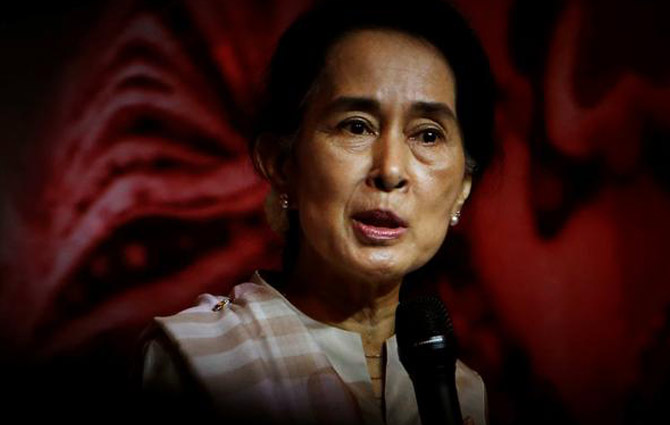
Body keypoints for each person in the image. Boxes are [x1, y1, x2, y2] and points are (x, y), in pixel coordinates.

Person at [138, 0, 496, 424]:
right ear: (283, 164)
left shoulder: (463, 393)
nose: (391, 171)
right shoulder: (195, 359)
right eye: (356, 126)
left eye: (428, 135)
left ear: (461, 190)